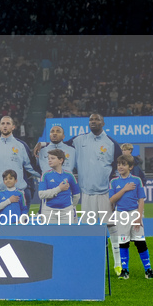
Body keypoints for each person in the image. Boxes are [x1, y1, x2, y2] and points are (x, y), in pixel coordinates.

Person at [58, 114, 122, 274]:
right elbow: (60, 147)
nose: (93, 122)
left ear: (103, 123)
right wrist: (43, 144)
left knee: (111, 226)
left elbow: (119, 168)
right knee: (88, 228)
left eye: (97, 120)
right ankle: (88, 262)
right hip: (86, 193)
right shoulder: (78, 140)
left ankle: (118, 263)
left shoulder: (112, 144)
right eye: (91, 120)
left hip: (105, 193)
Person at [109, 154, 153, 279]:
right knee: (123, 243)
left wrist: (139, 217)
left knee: (140, 242)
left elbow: (141, 200)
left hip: (134, 213)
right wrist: (124, 189)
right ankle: (125, 271)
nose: (120, 167)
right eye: (119, 164)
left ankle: (148, 270)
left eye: (124, 164)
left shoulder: (136, 180)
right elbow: (112, 199)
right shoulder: (114, 181)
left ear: (130, 167)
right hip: (121, 215)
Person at [38, 149, 80, 225]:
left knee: (66, 235)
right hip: (48, 211)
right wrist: (59, 189)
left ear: (61, 160)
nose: (49, 160)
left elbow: (76, 195)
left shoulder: (70, 175)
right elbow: (41, 194)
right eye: (48, 159)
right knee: (51, 235)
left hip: (66, 211)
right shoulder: (45, 175)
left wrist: (70, 207)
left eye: (52, 158)